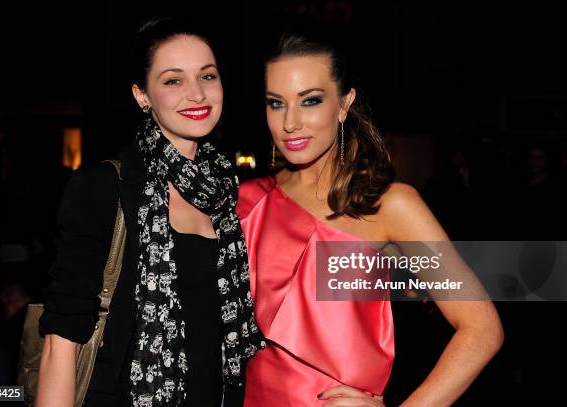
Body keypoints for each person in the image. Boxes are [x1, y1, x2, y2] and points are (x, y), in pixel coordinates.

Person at [236, 27, 504, 406]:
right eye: (276, 103)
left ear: (344, 104)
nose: (290, 122)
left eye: (310, 100)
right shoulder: (247, 201)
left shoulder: (390, 206)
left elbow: (482, 329)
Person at [36, 17, 264, 407]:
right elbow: (62, 341)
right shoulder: (103, 188)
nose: (197, 94)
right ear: (142, 96)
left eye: (207, 76)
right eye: (173, 80)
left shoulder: (231, 197)